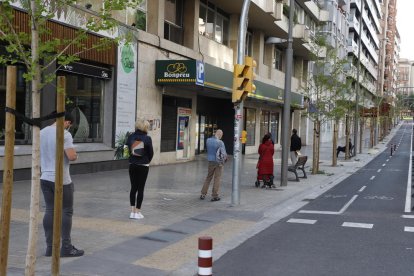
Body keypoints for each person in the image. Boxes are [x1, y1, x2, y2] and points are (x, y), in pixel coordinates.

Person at [40, 112, 84, 257]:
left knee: (50, 210)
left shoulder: (42, 132)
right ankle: (66, 247)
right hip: (61, 179)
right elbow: (71, 156)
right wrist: (76, 155)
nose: (69, 127)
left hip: (45, 176)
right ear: (67, 122)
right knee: (66, 211)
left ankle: (50, 248)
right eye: (69, 124)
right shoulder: (64, 134)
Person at [126, 118, 154, 219]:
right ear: (145, 127)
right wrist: (146, 161)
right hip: (143, 166)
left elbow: (126, 150)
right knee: (140, 189)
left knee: (133, 188)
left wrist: (131, 159)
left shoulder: (130, 137)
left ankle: (132, 212)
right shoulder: (147, 138)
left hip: (132, 165)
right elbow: (151, 153)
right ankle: (138, 212)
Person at [200, 129, 227, 202]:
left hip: (210, 161)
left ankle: (203, 193)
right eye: (221, 135)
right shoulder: (220, 142)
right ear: (220, 135)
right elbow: (224, 154)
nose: (221, 136)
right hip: (219, 163)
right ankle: (214, 195)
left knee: (208, 177)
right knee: (217, 178)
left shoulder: (208, 140)